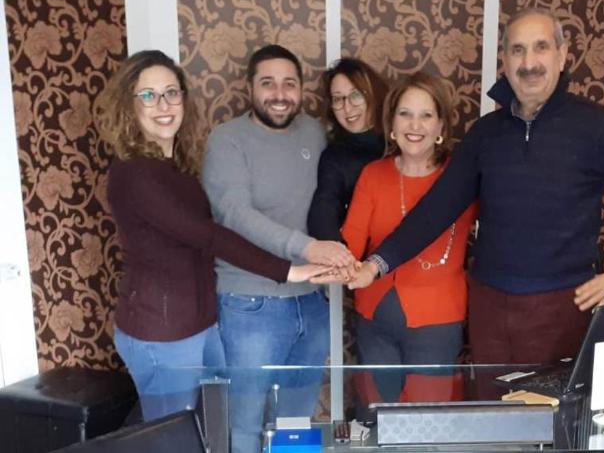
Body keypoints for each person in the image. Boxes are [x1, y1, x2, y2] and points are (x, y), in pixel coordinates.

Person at [326, 7, 604, 381]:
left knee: (549, 427)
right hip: (489, 310)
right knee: (493, 423)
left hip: (562, 308)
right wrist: (377, 265)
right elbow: (435, 211)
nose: (529, 62)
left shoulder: (596, 127)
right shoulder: (486, 134)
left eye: (540, 47)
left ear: (562, 54)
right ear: (504, 60)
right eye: (517, 50)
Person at [93, 50, 329, 421]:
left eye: (172, 93)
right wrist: (290, 270)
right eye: (149, 96)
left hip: (201, 326)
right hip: (161, 330)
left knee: (212, 434)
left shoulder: (174, 165)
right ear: (129, 104)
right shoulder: (135, 173)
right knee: (172, 441)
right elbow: (208, 235)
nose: (163, 105)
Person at [202, 45, 352, 452]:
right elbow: (234, 214)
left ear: (301, 89)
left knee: (296, 422)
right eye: (268, 83)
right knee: (246, 422)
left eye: (289, 83)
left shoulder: (314, 133)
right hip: (250, 303)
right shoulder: (227, 140)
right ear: (250, 87)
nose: (279, 93)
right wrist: (308, 248)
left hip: (311, 300)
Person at [341, 72, 476, 406]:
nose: (414, 125)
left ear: (441, 126)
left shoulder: (462, 179)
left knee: (425, 427)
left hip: (438, 321)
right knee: (377, 418)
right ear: (391, 122)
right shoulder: (374, 175)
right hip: (374, 319)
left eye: (426, 115)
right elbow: (352, 242)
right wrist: (337, 262)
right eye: (405, 114)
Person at [307, 57, 389, 241]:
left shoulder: (401, 139)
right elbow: (323, 212)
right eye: (338, 99)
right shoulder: (335, 157)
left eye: (356, 95)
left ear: (373, 94)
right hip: (361, 258)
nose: (347, 107)